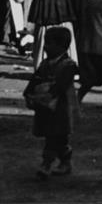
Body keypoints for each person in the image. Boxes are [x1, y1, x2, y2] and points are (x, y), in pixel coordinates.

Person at [23, 26, 80, 180]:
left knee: (53, 136)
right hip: (46, 106)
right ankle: (65, 161)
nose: (46, 47)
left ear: (62, 46)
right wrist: (28, 93)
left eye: (50, 44)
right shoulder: (45, 64)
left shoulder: (68, 65)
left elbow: (61, 86)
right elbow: (34, 80)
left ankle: (46, 164)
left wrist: (48, 94)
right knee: (57, 137)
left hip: (60, 107)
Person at [26, 0, 78, 69]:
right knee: (66, 48)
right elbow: (69, 11)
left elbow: (35, 15)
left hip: (46, 26)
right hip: (63, 25)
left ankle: (42, 70)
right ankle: (69, 69)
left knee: (43, 48)